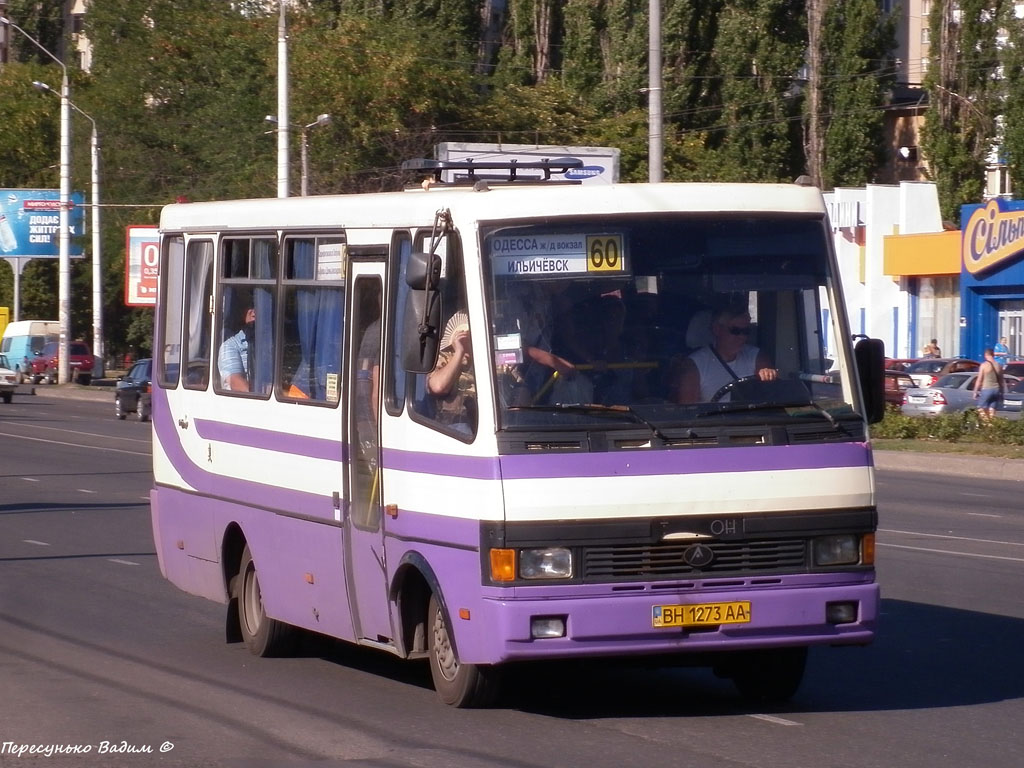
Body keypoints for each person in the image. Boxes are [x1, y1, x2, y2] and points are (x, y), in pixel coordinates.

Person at [672, 306, 777, 403]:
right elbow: (688, 411)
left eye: (746, 331)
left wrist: (767, 374)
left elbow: (769, 395)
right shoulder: (695, 365)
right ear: (717, 329)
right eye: (735, 330)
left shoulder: (756, 356)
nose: (742, 337)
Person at [428, 311, 476, 429]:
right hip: (455, 422)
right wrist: (459, 352)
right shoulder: (444, 357)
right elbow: (438, 386)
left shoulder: (488, 357)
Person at [218, 305, 255, 391]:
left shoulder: (271, 346)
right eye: (250, 306)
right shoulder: (230, 346)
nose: (254, 312)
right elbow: (237, 384)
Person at [973, 347, 1005, 424]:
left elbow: (979, 380)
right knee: (991, 409)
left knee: (980, 408)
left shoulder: (984, 365)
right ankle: (991, 430)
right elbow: (1001, 381)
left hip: (987, 389)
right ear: (993, 355)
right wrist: (1002, 393)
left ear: (986, 355)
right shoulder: (999, 366)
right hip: (996, 390)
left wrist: (975, 391)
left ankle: (988, 425)